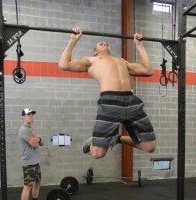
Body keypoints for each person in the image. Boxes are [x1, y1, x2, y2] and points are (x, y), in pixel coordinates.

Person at [58, 27, 156, 159]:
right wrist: (73, 40)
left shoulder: (122, 61)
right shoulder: (91, 61)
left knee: (149, 147)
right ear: (95, 52)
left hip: (131, 100)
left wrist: (140, 46)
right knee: (97, 154)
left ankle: (118, 139)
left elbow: (148, 70)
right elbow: (64, 64)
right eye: (100, 43)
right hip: (110, 102)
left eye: (106, 43)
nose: (105, 43)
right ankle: (95, 142)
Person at [17, 108, 46, 200]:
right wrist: (37, 140)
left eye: (32, 114)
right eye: (28, 115)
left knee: (37, 183)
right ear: (23, 117)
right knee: (28, 186)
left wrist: (37, 139)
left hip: (35, 162)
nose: (31, 116)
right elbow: (35, 145)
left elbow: (41, 142)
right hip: (29, 162)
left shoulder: (31, 129)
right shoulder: (23, 130)